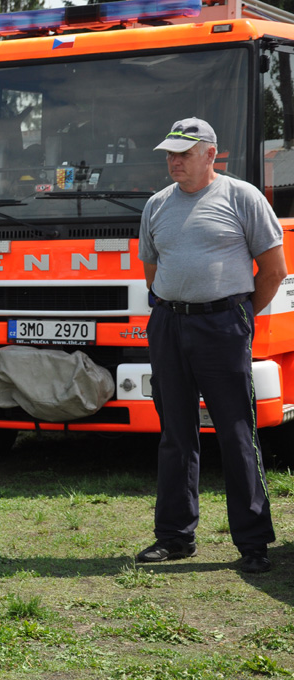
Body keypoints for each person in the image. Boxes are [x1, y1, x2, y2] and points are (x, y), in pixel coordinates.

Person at [137, 117, 286, 574]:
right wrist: (173, 307)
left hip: (223, 325)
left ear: (210, 154)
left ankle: (254, 542)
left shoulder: (242, 197)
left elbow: (274, 270)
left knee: (237, 433)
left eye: (183, 153)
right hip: (169, 324)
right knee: (175, 434)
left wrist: (238, 317)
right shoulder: (157, 204)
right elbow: (151, 270)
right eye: (170, 154)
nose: (174, 161)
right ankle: (175, 537)